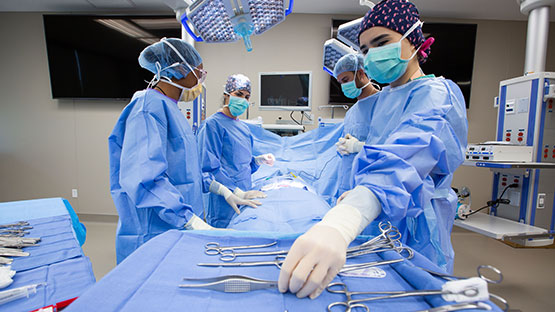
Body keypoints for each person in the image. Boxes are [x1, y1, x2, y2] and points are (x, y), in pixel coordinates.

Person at [278, 0, 468, 299]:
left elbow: (404, 160)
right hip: (376, 217)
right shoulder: (381, 101)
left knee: (415, 295)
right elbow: (371, 159)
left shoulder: (436, 94)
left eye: (382, 42)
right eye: (365, 49)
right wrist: (355, 193)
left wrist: (344, 221)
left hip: (416, 222)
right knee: (372, 294)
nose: (371, 55)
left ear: (413, 39)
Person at [109, 38, 218, 263]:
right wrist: (187, 218)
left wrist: (221, 189)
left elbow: (186, 170)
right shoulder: (148, 107)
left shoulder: (170, 108)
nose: (201, 78)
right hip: (155, 231)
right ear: (179, 70)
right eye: (198, 72)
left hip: (174, 226)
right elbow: (144, 177)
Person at [197, 74, 275, 228]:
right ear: (226, 95)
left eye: (247, 97)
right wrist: (236, 192)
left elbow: (241, 165)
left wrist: (258, 160)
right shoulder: (212, 125)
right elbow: (208, 168)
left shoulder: (244, 128)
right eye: (239, 94)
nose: (243, 100)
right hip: (223, 200)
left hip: (246, 196)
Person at [333, 53, 380, 200]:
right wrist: (343, 147)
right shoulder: (352, 112)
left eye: (346, 79)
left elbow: (393, 148)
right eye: (340, 82)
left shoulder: (385, 104)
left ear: (360, 73)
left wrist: (358, 147)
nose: (344, 86)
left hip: (374, 185)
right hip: (349, 182)